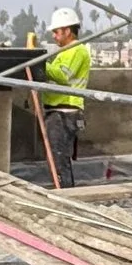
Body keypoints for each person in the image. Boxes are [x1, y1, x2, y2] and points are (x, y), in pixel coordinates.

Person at [35, 12, 91, 186]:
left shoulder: (77, 50)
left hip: (65, 112)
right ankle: (65, 191)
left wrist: (40, 61)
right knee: (57, 160)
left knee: (59, 160)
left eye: (56, 31)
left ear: (68, 31)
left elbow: (63, 76)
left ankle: (66, 194)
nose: (54, 36)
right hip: (58, 111)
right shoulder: (66, 51)